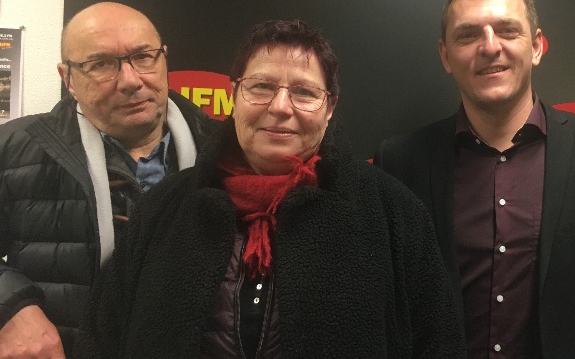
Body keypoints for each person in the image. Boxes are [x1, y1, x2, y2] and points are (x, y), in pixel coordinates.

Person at [77, 19, 465, 358]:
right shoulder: (164, 209)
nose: (280, 106)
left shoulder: (392, 213)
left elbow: (438, 344)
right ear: (234, 95)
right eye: (261, 87)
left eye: (304, 92)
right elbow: (101, 339)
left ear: (330, 108)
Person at [374, 0, 575, 358]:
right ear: (445, 56)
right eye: (468, 35)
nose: (490, 46)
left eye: (507, 31)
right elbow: (382, 314)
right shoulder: (401, 161)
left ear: (537, 46)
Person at [0, 2, 213, 357]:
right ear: (68, 78)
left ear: (164, 59)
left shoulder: (222, 151)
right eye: (101, 64)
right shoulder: (14, 148)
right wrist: (9, 308)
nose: (130, 80)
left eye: (143, 57)